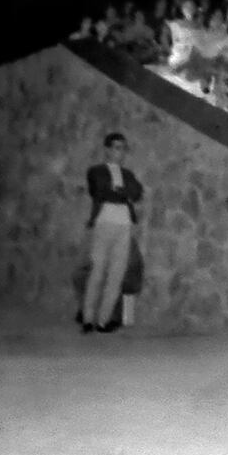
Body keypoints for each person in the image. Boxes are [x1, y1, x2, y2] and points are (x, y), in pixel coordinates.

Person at [81, 133, 143, 335]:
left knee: (116, 274)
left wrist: (119, 192)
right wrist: (122, 194)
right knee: (97, 272)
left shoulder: (127, 174)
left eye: (123, 148)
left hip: (124, 225)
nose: (120, 152)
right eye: (116, 147)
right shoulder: (96, 171)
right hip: (104, 223)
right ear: (107, 149)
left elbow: (137, 193)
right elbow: (99, 191)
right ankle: (88, 318)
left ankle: (103, 320)